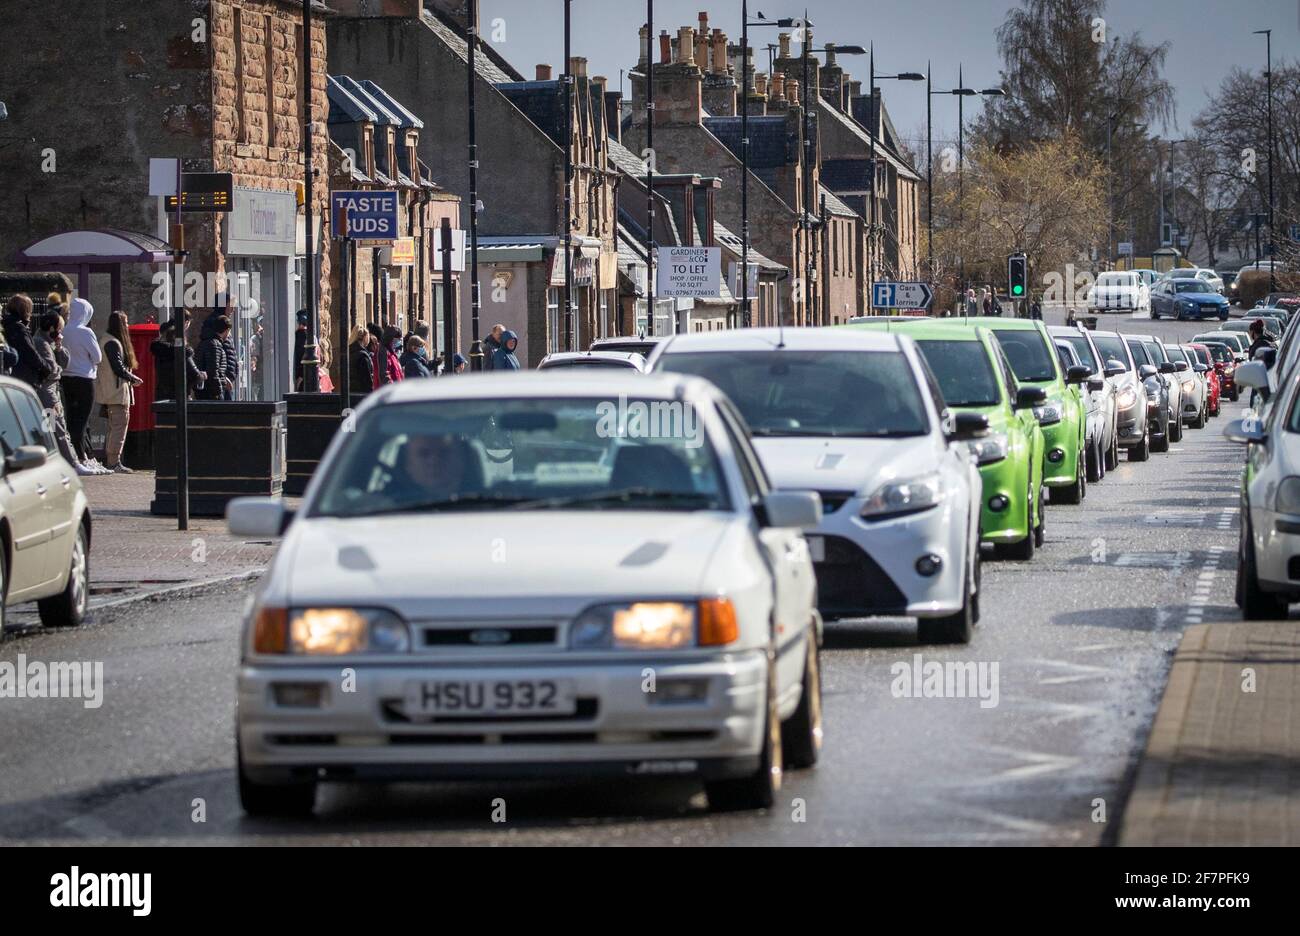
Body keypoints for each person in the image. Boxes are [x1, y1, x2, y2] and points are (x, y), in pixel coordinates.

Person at [32, 310, 92, 474]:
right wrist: (58, 369)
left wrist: (59, 347)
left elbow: (65, 363)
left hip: (52, 392)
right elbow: (53, 370)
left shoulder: (49, 342)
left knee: (50, 429)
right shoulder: (41, 343)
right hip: (48, 395)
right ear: (51, 327)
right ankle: (72, 463)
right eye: (59, 328)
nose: (60, 332)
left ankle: (52, 462)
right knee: (57, 428)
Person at [94, 311, 145, 473]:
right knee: (119, 428)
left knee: (113, 427)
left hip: (111, 391)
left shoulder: (107, 340)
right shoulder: (112, 342)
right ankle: (114, 462)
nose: (128, 326)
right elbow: (118, 367)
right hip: (117, 393)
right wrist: (133, 378)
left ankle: (112, 460)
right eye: (126, 323)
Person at [60, 298, 102, 467]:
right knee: (82, 420)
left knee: (71, 417)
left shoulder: (64, 329)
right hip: (84, 380)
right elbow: (98, 357)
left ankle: (79, 454)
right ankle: (81, 457)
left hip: (66, 378)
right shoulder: (85, 332)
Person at [151, 314, 205, 402]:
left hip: (162, 396)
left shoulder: (159, 351)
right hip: (180, 396)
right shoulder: (184, 354)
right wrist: (202, 376)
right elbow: (195, 375)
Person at [3, 294, 52, 389]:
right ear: (26, 311)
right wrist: (46, 368)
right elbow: (30, 353)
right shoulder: (18, 328)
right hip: (23, 378)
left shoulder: (6, 324)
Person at [196, 315, 231, 400]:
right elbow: (213, 371)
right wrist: (218, 394)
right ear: (227, 330)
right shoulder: (215, 344)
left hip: (204, 391)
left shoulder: (205, 342)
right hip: (211, 394)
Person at [348, 326, 374, 396]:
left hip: (350, 391)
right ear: (365, 338)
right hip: (361, 393)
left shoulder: (348, 352)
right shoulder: (363, 355)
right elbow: (367, 379)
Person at [292, 309, 308, 391]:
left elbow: (301, 355)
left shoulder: (301, 335)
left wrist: (300, 377)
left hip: (302, 376)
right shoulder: (307, 335)